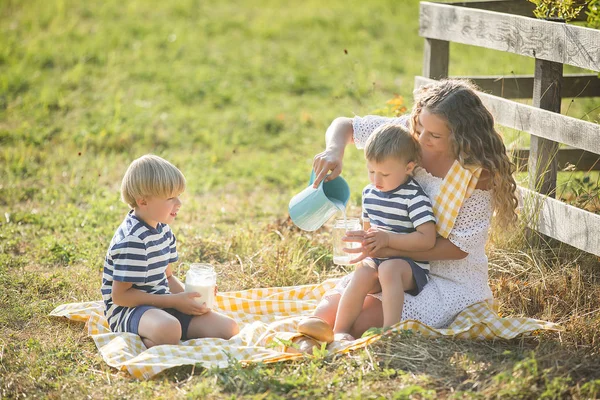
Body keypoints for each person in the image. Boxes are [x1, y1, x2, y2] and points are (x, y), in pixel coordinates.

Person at [306, 79, 518, 341]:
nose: (421, 138)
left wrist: (389, 245)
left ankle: (345, 335)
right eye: (420, 126)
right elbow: (346, 126)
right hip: (392, 261)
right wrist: (334, 151)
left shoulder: (474, 174)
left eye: (435, 135)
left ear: (460, 135)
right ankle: (312, 336)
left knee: (360, 320)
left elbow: (459, 249)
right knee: (330, 311)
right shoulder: (410, 136)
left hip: (444, 277)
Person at [101, 154, 239, 348]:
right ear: (143, 202)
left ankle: (167, 335)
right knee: (170, 330)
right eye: (170, 198)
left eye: (179, 196)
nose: (179, 204)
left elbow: (167, 278)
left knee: (228, 328)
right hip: (129, 311)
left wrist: (193, 297)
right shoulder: (133, 240)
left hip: (163, 305)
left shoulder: (163, 230)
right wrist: (174, 302)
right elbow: (120, 296)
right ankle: (149, 341)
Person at [332, 123, 436, 341]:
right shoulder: (370, 193)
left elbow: (427, 240)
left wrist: (387, 238)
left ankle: (390, 333)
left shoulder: (414, 197)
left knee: (388, 269)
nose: (376, 181)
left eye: (385, 174)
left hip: (409, 266)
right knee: (361, 274)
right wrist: (365, 241)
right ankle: (339, 331)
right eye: (371, 171)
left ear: (408, 168)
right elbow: (370, 230)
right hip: (380, 259)